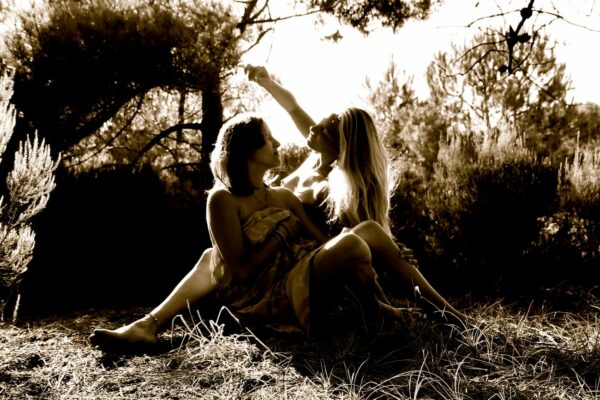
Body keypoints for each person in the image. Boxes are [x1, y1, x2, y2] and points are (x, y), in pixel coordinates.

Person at [90, 68, 466, 352]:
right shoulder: (311, 158)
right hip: (268, 266)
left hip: (307, 266)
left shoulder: (338, 184)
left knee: (365, 234)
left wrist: (391, 249)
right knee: (210, 256)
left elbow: (351, 236)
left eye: (325, 127)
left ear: (341, 144)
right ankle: (150, 324)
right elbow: (294, 107)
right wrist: (267, 81)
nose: (313, 128)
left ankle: (442, 314)